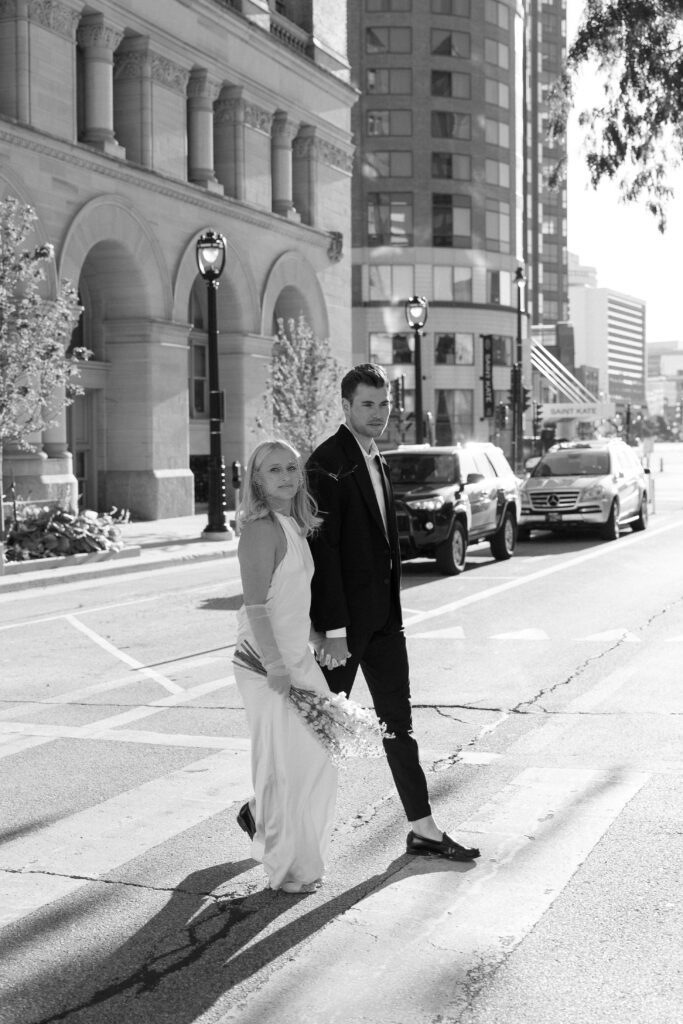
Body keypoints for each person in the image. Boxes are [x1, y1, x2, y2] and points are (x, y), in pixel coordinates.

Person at [307, 364, 480, 862]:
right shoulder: (327, 462)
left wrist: (391, 614)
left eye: (384, 404)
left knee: (398, 725)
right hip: (345, 629)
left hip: (385, 622)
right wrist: (334, 630)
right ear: (345, 406)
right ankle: (263, 808)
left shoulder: (376, 457)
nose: (379, 414)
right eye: (368, 405)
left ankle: (423, 828)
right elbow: (326, 554)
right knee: (320, 730)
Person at [232, 439, 338, 894]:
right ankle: (289, 865)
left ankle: (263, 817)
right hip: (265, 663)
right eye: (274, 470)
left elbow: (290, 597)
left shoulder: (293, 523)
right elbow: (256, 605)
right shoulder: (260, 529)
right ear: (257, 479)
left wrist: (317, 636)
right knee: (285, 765)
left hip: (296, 655)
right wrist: (276, 665)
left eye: (292, 468)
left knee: (318, 754)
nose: (286, 476)